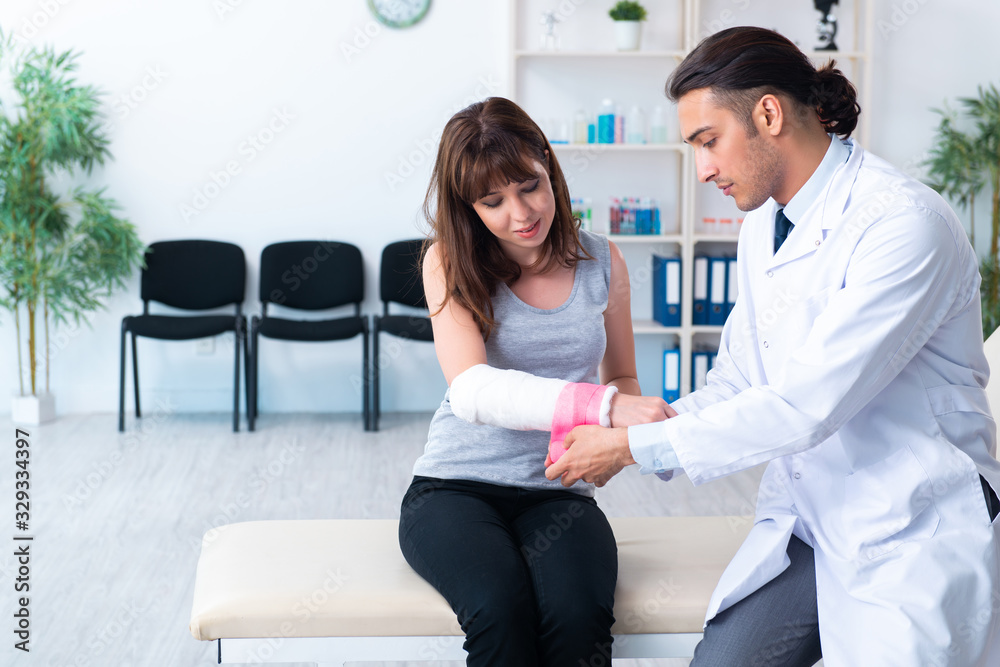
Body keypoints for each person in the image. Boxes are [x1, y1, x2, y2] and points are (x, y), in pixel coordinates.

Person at [545, 26, 1000, 666]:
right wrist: (653, 423)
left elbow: (803, 406)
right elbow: (740, 379)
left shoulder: (904, 224)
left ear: (768, 113)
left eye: (708, 142)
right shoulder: (765, 222)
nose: (702, 169)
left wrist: (633, 447)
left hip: (910, 522)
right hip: (814, 517)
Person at [398, 96, 670, 666]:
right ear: (467, 206)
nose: (520, 213)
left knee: (579, 619)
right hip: (455, 488)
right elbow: (471, 389)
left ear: (549, 166)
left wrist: (621, 444)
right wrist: (605, 406)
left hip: (557, 491)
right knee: (500, 610)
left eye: (529, 186)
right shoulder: (448, 261)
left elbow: (621, 376)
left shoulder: (603, 261)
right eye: (492, 201)